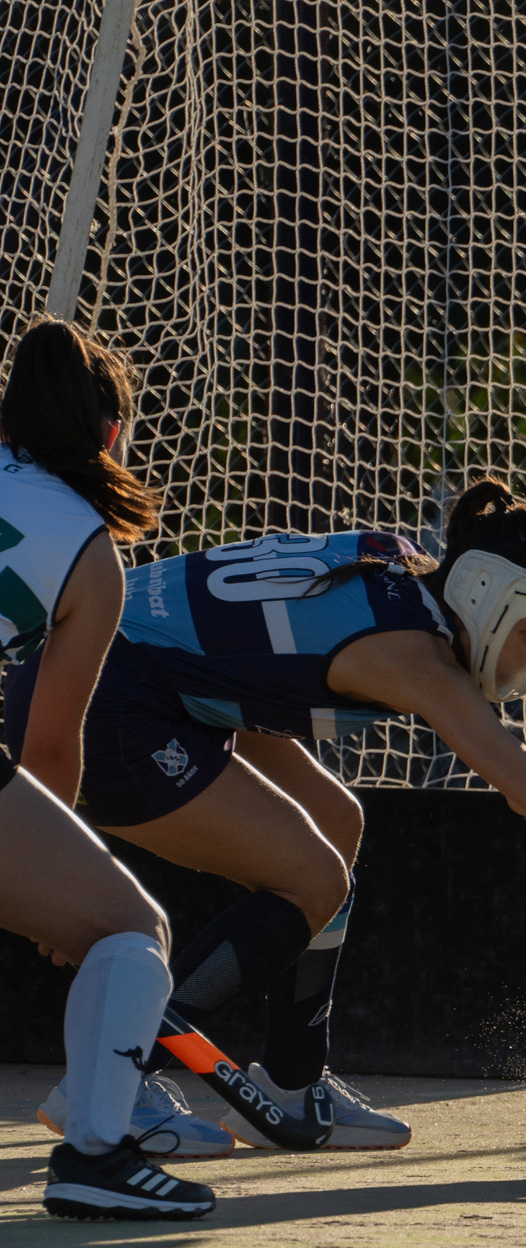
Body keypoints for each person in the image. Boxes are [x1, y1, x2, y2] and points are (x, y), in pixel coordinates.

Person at [5, 477, 526, 1152]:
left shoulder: (407, 573)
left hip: (150, 679)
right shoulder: (414, 656)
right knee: (312, 878)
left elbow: (235, 639)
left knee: (336, 821)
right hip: (112, 698)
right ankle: (116, 1081)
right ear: (485, 597)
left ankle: (291, 1083)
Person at [0, 318, 214, 1219]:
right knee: (131, 928)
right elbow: (49, 749)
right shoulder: (90, 551)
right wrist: (59, 890)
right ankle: (96, 1156)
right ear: (110, 433)